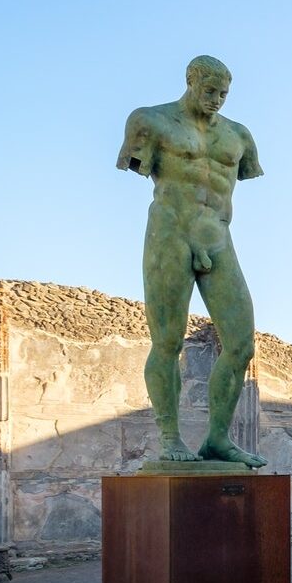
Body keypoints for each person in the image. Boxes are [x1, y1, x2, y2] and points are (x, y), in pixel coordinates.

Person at [117, 55, 266, 467]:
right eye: (210, 91)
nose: (217, 99)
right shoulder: (150, 121)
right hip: (169, 235)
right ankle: (170, 437)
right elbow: (139, 167)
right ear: (190, 81)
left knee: (240, 344)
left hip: (218, 238)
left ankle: (218, 439)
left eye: (223, 93)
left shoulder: (238, 136)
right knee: (167, 341)